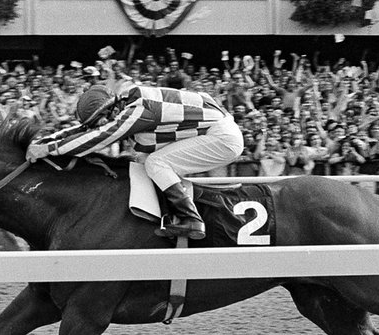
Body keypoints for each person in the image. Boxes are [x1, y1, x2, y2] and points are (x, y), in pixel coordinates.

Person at [26, 83, 243, 240]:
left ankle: (191, 219)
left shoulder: (139, 109)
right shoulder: (126, 102)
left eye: (100, 119)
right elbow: (85, 130)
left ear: (110, 108)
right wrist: (44, 142)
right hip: (212, 130)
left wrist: (49, 150)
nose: (100, 124)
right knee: (144, 160)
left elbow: (100, 137)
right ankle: (165, 216)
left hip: (222, 137)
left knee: (156, 163)